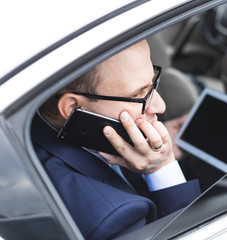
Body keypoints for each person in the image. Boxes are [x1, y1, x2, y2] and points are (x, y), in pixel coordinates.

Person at [31, 40, 201, 240]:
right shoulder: (115, 218)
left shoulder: (35, 127)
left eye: (152, 84)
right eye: (138, 94)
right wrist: (162, 167)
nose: (160, 106)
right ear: (73, 109)